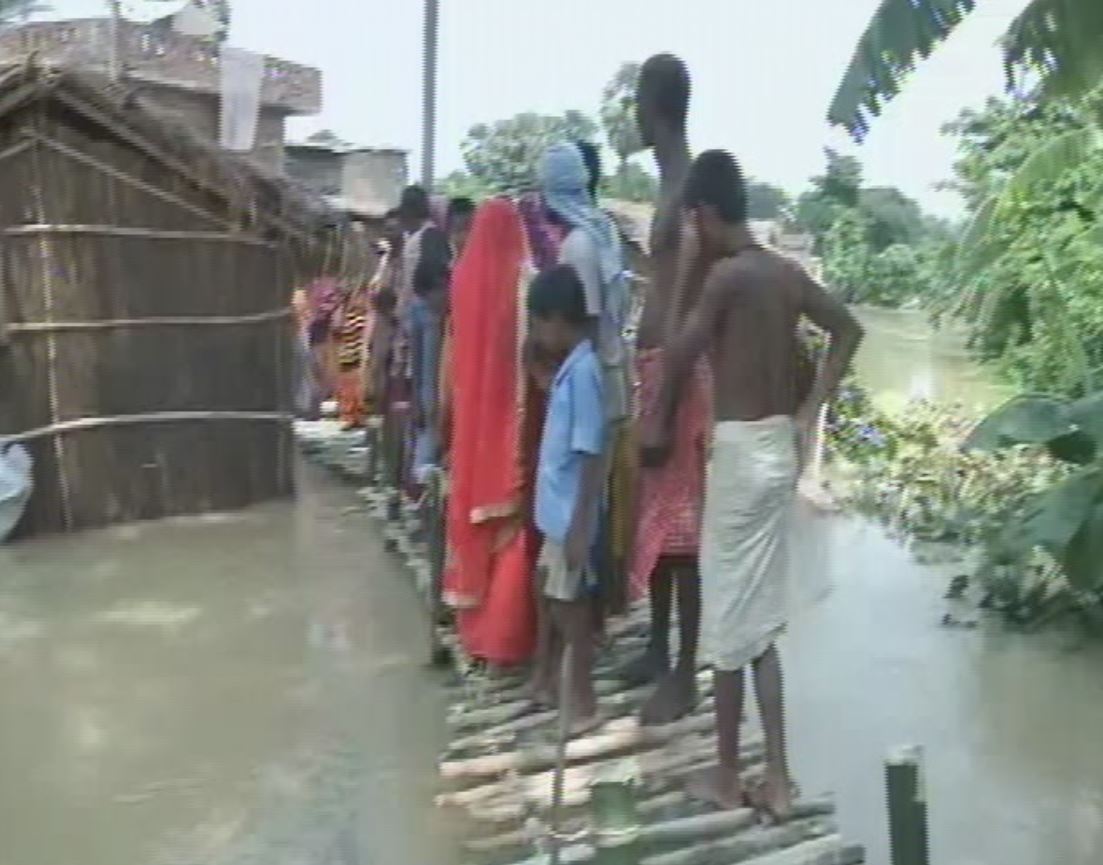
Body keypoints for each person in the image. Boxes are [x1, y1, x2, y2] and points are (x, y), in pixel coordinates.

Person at [642, 150, 863, 820]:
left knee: (729, 626)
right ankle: (777, 777)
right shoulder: (782, 273)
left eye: (693, 222)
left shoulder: (727, 279)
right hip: (776, 447)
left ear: (703, 214)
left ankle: (731, 772)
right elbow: (848, 330)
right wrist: (808, 410)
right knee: (757, 622)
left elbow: (675, 352)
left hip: (739, 455)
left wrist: (683, 268)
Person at [623, 54, 711, 727]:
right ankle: (656, 648)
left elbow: (684, 305)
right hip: (658, 366)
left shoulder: (685, 187)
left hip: (678, 373)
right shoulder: (667, 183)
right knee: (658, 517)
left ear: (649, 106)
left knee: (681, 533)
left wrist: (665, 395)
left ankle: (683, 674)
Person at [441, 198, 538, 667]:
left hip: (471, 418)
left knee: (474, 518)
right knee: (510, 524)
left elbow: (452, 354)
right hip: (508, 420)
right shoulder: (522, 282)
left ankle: (475, 631)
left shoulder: (461, 279)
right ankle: (507, 637)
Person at [528, 264, 606, 734]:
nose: (536, 335)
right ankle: (546, 678)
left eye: (538, 324)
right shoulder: (570, 371)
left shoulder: (584, 374)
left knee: (569, 608)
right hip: (555, 513)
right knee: (548, 593)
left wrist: (580, 526)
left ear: (558, 320)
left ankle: (583, 698)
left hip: (567, 518)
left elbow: (593, 452)